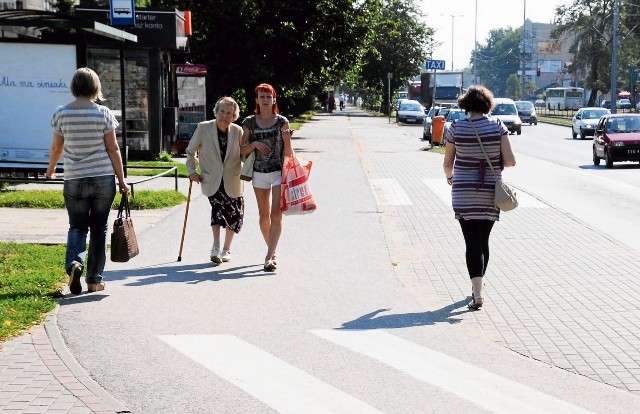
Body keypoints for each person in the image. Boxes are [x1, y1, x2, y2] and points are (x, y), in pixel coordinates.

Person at [46, 67, 130, 295]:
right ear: (96, 87)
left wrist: (51, 169)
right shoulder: (103, 113)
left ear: (74, 87)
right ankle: (94, 280)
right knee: (99, 228)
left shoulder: (61, 113)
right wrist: (122, 180)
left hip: (74, 178)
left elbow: (57, 147)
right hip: (103, 178)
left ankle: (74, 263)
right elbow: (113, 148)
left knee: (77, 226)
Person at [442, 85, 516, 310]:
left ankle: (477, 291)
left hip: (463, 191)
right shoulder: (498, 126)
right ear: (487, 104)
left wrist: (450, 177)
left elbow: (447, 163)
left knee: (471, 242)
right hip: (489, 192)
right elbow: (511, 161)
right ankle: (478, 290)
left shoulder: (456, 127)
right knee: (483, 241)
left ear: (465, 104)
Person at [240, 83, 293, 271]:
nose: (265, 100)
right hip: (259, 173)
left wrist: (287, 140)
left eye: (268, 97)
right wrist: (254, 144)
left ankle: (269, 257)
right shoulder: (249, 122)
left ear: (274, 100)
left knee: (275, 214)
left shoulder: (282, 122)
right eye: (262, 97)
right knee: (263, 216)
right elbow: (242, 149)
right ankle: (272, 249)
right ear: (256, 100)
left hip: (278, 172)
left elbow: (288, 154)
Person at [186, 97, 245, 264]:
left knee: (234, 214)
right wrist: (192, 171)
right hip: (212, 179)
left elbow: (244, 155)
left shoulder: (238, 131)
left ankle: (227, 249)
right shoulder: (203, 128)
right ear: (216, 112)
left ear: (234, 116)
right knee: (218, 210)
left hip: (232, 179)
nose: (225, 116)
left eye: (229, 113)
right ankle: (216, 247)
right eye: (222, 112)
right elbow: (191, 152)